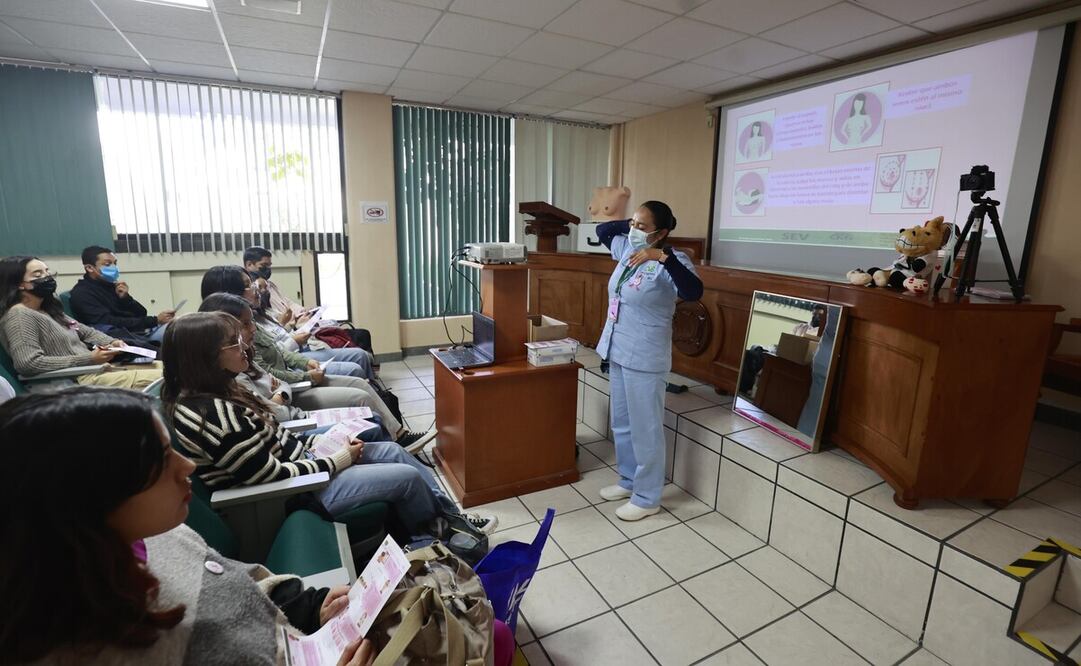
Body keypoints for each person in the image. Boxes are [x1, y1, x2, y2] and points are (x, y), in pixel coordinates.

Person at [0, 386, 380, 665]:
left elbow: (229, 581)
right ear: (91, 493)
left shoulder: (156, 534)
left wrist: (307, 607)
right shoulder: (83, 649)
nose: (188, 468)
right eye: (164, 459)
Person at [159, 311, 494, 535]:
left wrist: (320, 447)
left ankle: (451, 518)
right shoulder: (211, 414)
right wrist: (336, 459)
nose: (245, 346)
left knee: (392, 451)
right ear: (203, 357)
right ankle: (440, 534)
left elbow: (275, 443)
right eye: (234, 343)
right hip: (296, 494)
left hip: (306, 462)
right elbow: (267, 476)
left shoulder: (220, 391)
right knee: (405, 476)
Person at [197, 277, 433, 451]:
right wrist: (296, 383)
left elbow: (278, 371)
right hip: (296, 406)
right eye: (249, 285)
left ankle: (397, 437)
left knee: (359, 383)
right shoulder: (232, 370)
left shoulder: (248, 337)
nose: (258, 290)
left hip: (292, 388)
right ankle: (394, 444)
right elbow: (274, 402)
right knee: (362, 402)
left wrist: (290, 381)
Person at [594, 201, 703, 521]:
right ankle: (629, 481)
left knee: (646, 428)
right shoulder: (627, 247)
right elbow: (603, 230)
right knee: (623, 423)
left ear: (663, 232)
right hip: (617, 349)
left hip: (645, 354)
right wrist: (633, 224)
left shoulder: (675, 261)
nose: (633, 231)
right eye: (633, 224)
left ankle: (647, 496)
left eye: (643, 227)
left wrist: (663, 256)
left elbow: (694, 291)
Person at [0, 256, 161, 390]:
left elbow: (86, 331)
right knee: (172, 377)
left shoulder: (48, 310)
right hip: (75, 381)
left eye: (47, 271)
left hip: (94, 370)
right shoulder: (19, 315)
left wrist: (112, 342)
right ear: (18, 284)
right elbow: (27, 364)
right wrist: (89, 358)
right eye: (37, 274)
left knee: (170, 367)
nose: (47, 277)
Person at [202, 266, 376, 382]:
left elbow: (277, 351)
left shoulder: (254, 314)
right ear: (229, 293)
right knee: (355, 371)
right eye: (250, 285)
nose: (258, 290)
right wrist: (306, 375)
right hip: (290, 376)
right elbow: (268, 373)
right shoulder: (234, 333)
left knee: (358, 355)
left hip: (291, 364)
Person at [243, 246, 376, 360]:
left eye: (269, 266)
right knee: (357, 351)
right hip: (294, 343)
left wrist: (305, 311)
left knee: (359, 337)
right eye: (264, 266)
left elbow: (288, 304)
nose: (261, 291)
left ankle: (371, 374)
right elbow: (278, 347)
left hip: (297, 334)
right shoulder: (253, 314)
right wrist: (289, 323)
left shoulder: (269, 287)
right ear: (249, 265)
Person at [69, 245, 176, 343]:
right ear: (89, 268)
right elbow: (109, 323)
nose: (113, 267)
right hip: (123, 339)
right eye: (107, 264)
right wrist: (155, 320)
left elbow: (141, 313)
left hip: (139, 332)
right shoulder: (82, 293)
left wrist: (126, 299)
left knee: (181, 326)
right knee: (178, 334)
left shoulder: (111, 286)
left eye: (115, 263)